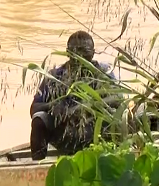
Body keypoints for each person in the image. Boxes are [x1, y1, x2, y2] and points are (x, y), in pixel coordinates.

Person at [30, 31, 119, 160]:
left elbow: (119, 102)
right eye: (75, 52)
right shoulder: (55, 76)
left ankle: (114, 159)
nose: (80, 57)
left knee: (118, 116)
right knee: (39, 118)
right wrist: (53, 106)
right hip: (64, 134)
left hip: (95, 133)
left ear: (93, 53)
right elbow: (34, 108)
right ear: (68, 53)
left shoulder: (104, 73)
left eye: (84, 52)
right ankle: (36, 167)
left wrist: (96, 104)